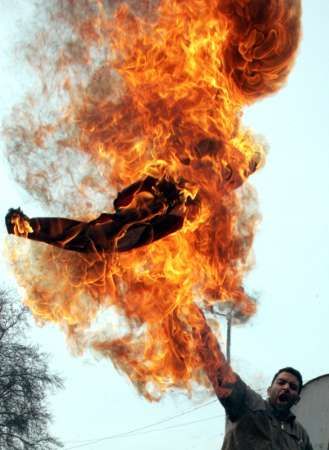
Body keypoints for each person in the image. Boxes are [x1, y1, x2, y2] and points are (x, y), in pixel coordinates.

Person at [196, 317, 313, 450]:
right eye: (281, 383)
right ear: (269, 390)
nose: (286, 387)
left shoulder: (301, 435)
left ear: (297, 399)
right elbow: (221, 373)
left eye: (293, 387)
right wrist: (201, 329)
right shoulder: (251, 404)